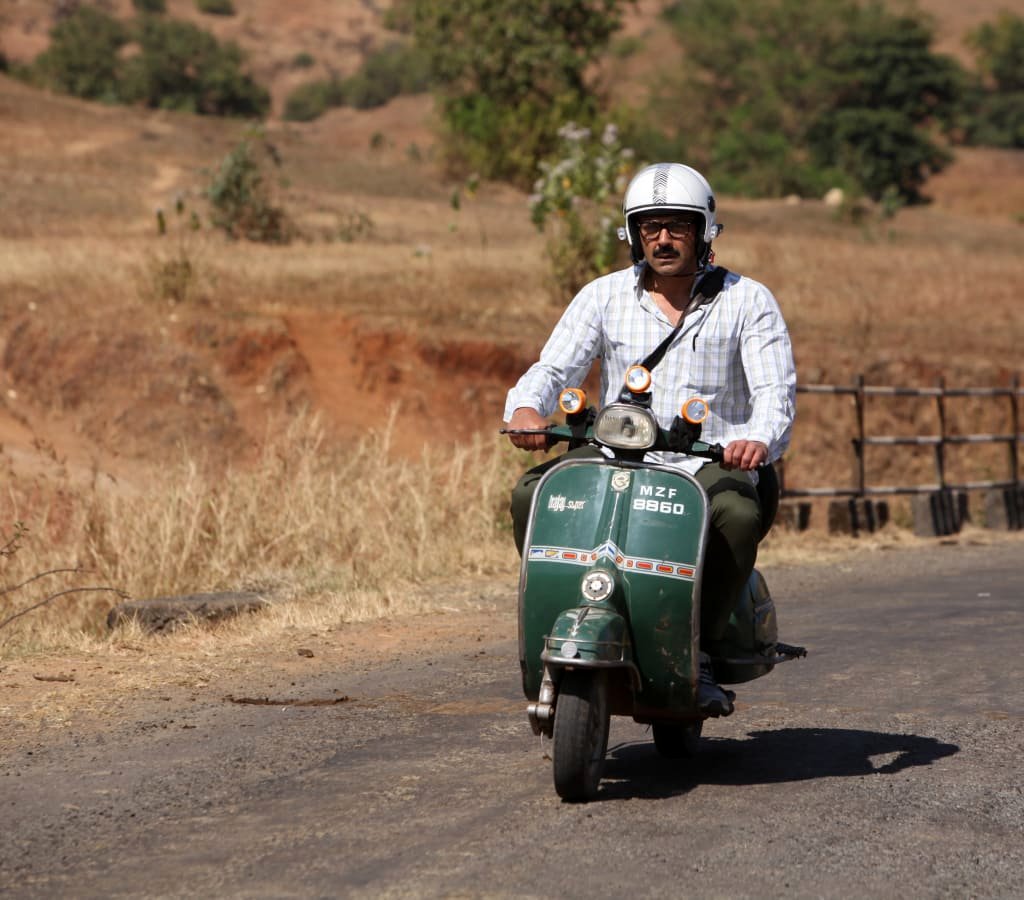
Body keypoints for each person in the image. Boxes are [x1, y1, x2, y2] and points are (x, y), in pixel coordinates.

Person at [503, 162, 796, 717]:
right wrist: (526, 408)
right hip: (619, 453)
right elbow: (552, 367)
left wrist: (756, 441)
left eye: (678, 226)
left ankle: (701, 650)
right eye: (649, 226)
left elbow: (775, 393)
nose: (662, 239)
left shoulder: (748, 301)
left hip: (708, 463)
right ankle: (562, 618)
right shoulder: (603, 295)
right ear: (632, 233)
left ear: (705, 230)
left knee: (736, 517)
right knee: (530, 494)